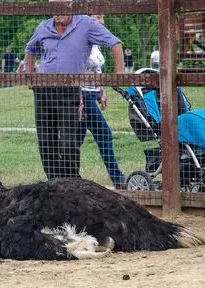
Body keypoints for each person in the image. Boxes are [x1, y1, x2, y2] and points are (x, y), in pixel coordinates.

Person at [24, 1, 124, 179]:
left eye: (62, 8)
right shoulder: (43, 27)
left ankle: (71, 184)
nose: (58, 14)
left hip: (69, 90)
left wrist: (119, 74)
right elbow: (30, 49)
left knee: (68, 143)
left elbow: (114, 43)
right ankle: (53, 184)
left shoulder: (85, 24)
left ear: (71, 6)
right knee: (46, 142)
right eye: (55, 9)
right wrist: (30, 76)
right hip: (43, 91)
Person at [79, 15, 126, 189]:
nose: (102, 21)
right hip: (81, 95)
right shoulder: (80, 41)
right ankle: (118, 179)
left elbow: (95, 70)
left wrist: (100, 92)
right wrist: (80, 97)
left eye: (103, 17)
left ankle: (66, 176)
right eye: (98, 17)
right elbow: (74, 69)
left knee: (76, 139)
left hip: (91, 93)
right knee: (104, 133)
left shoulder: (95, 43)